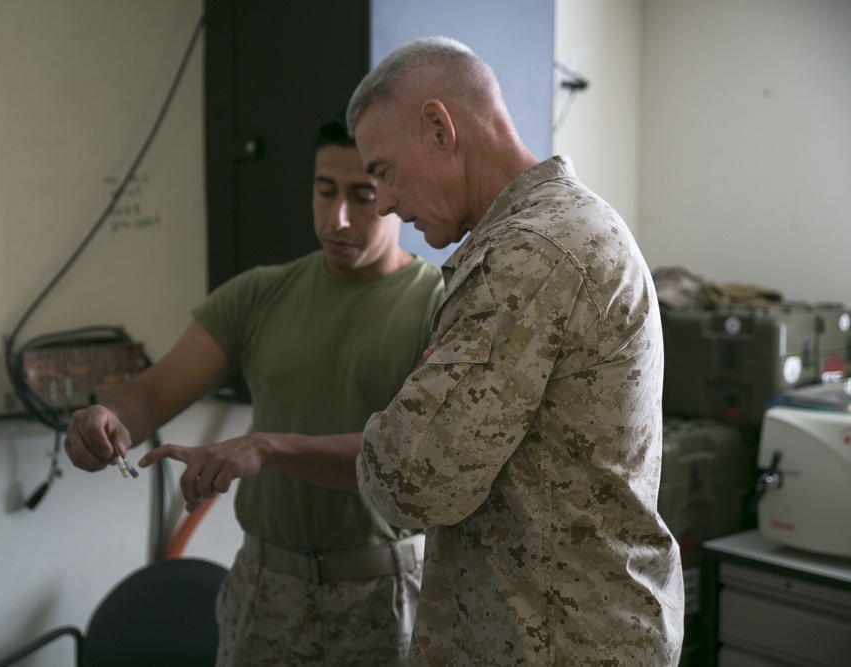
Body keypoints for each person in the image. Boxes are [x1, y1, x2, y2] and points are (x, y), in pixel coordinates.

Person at [346, 37, 685, 665]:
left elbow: (414, 480)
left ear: (438, 128)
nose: (386, 203)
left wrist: (391, 432)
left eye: (385, 171)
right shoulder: (554, 230)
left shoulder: (531, 252)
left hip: (553, 643)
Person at [63, 115, 444, 666]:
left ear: (395, 191)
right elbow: (151, 395)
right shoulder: (261, 294)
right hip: (266, 593)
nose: (337, 217)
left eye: (362, 195)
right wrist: (106, 421)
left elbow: (405, 457)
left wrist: (265, 447)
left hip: (385, 595)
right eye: (324, 191)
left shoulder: (439, 307)